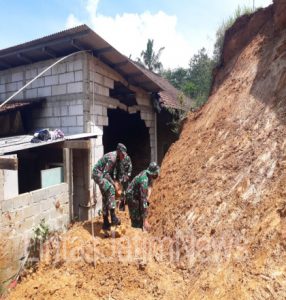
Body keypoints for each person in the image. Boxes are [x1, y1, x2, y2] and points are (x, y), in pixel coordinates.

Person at [92, 143, 127, 230]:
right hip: (98, 174)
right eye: (122, 154)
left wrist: (117, 182)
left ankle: (105, 221)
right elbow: (105, 173)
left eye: (124, 155)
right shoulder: (112, 158)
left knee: (105, 196)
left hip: (100, 174)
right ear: (118, 152)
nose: (123, 156)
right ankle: (113, 217)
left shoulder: (117, 159)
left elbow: (113, 172)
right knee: (111, 189)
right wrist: (113, 183)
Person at [126, 162, 160, 230]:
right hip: (131, 196)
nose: (157, 174)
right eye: (156, 173)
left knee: (142, 208)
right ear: (152, 173)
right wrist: (145, 220)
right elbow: (143, 200)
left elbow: (145, 193)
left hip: (135, 194)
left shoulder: (146, 174)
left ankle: (139, 226)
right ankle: (136, 230)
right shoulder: (144, 180)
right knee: (137, 219)